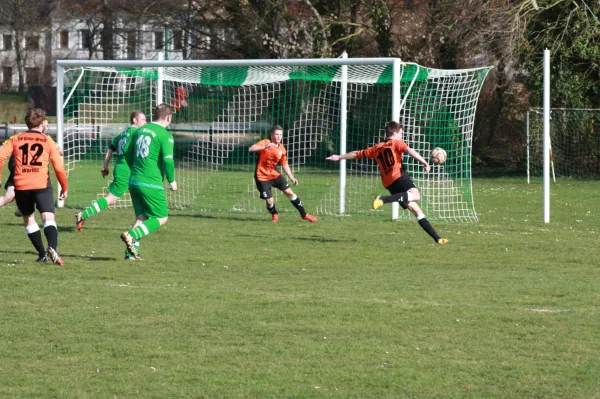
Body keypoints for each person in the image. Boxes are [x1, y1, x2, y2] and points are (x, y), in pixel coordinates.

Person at [326, 121, 448, 245]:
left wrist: (340, 157)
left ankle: (437, 238)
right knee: (416, 195)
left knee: (416, 210)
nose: (402, 135)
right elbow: (410, 151)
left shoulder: (376, 148)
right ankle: (383, 199)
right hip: (399, 176)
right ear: (394, 133)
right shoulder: (397, 143)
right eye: (401, 133)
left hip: (389, 183)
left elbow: (357, 154)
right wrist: (425, 162)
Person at [0, 108, 69, 265]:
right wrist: (64, 187)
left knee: (28, 217)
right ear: (43, 123)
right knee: (48, 217)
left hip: (21, 185)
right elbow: (59, 167)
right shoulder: (47, 141)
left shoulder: (16, 139)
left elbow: (1, 157)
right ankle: (52, 247)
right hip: (41, 184)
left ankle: (41, 254)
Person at [120, 104, 177, 260]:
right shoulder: (165, 135)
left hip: (134, 180)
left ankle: (130, 254)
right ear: (168, 117)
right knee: (161, 217)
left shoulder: (139, 130)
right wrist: (172, 180)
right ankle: (131, 235)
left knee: (142, 218)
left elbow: (128, 153)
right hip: (151, 182)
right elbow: (168, 161)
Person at [76, 111, 147, 234]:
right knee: (111, 198)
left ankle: (137, 228)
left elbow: (110, 148)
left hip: (121, 167)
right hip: (127, 170)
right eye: (143, 119)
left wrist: (105, 166)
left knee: (140, 200)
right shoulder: (136, 132)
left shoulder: (124, 133)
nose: (145, 122)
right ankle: (84, 214)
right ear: (135, 120)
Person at [249, 125, 317, 223]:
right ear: (272, 135)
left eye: (280, 134)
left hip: (274, 175)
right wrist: (264, 147)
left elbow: (285, 165)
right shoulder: (266, 142)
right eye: (276, 134)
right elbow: (251, 148)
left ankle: (304, 214)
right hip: (262, 176)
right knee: (270, 201)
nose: (279, 137)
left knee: (290, 193)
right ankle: (274, 213)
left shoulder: (282, 149)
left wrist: (292, 177)